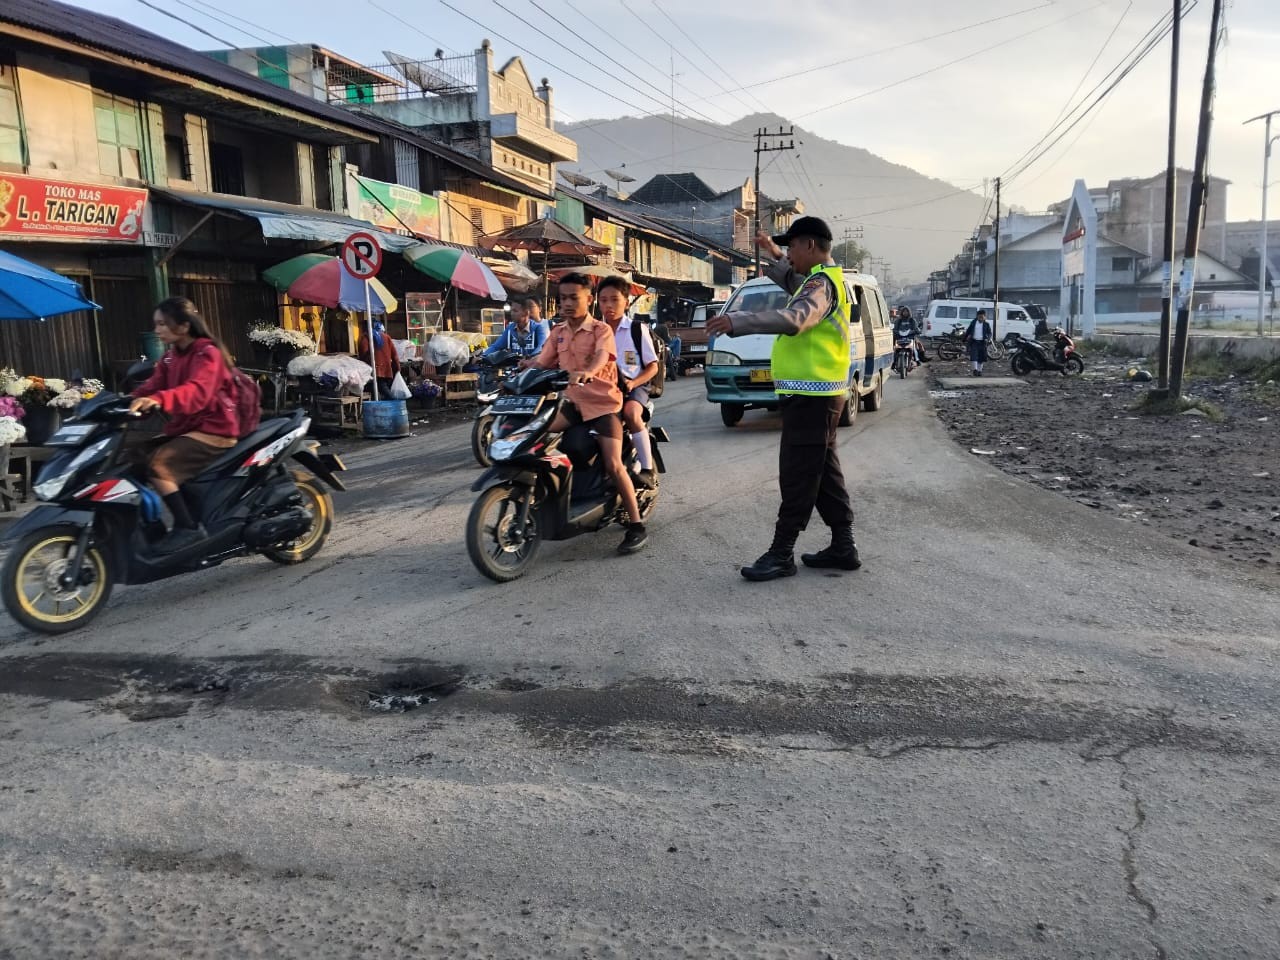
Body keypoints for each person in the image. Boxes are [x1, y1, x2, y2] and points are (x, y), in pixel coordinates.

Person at [706, 217, 860, 582]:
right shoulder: (818, 279)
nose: (789, 254)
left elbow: (796, 318)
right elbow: (790, 279)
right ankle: (843, 546)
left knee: (798, 475)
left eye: (792, 247)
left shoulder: (821, 285)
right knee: (824, 475)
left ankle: (781, 552)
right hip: (817, 394)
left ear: (809, 246)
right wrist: (773, 251)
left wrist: (737, 321)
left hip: (813, 396)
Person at [521, 273, 648, 555]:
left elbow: (603, 356)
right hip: (573, 406)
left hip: (604, 406)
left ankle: (637, 526)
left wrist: (588, 372)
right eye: (562, 298)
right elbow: (543, 362)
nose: (566, 303)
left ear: (588, 300)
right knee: (532, 435)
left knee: (614, 464)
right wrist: (523, 368)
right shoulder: (558, 332)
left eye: (572, 298)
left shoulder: (601, 331)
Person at [130, 297, 241, 553]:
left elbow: (196, 392)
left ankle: (188, 528)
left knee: (159, 464)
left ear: (183, 326)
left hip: (216, 429)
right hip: (188, 427)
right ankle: (150, 524)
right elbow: (152, 386)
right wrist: (125, 402)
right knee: (133, 456)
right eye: (156, 325)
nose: (157, 330)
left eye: (162, 324)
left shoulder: (207, 353)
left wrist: (157, 400)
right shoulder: (171, 357)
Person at [598, 275, 660, 490]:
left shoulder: (636, 329)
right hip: (604, 389)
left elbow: (653, 366)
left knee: (631, 413)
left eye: (614, 299)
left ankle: (647, 468)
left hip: (634, 387)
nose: (608, 305)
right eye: (603, 300)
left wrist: (634, 384)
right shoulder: (596, 331)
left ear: (626, 301)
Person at [357, 319, 401, 396]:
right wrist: (397, 369)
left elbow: (363, 353)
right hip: (387, 370)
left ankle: (396, 402)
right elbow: (395, 356)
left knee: (381, 389)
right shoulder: (387, 337)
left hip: (373, 369)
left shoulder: (366, 337)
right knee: (381, 389)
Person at [964, 308, 992, 377]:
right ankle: (975, 370)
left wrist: (987, 339)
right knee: (974, 356)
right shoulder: (973, 322)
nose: (980, 318)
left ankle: (979, 371)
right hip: (974, 341)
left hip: (983, 342)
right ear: (977, 316)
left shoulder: (986, 324)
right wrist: (964, 338)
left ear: (985, 317)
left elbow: (989, 333)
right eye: (979, 317)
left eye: (982, 317)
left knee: (981, 358)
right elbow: (969, 330)